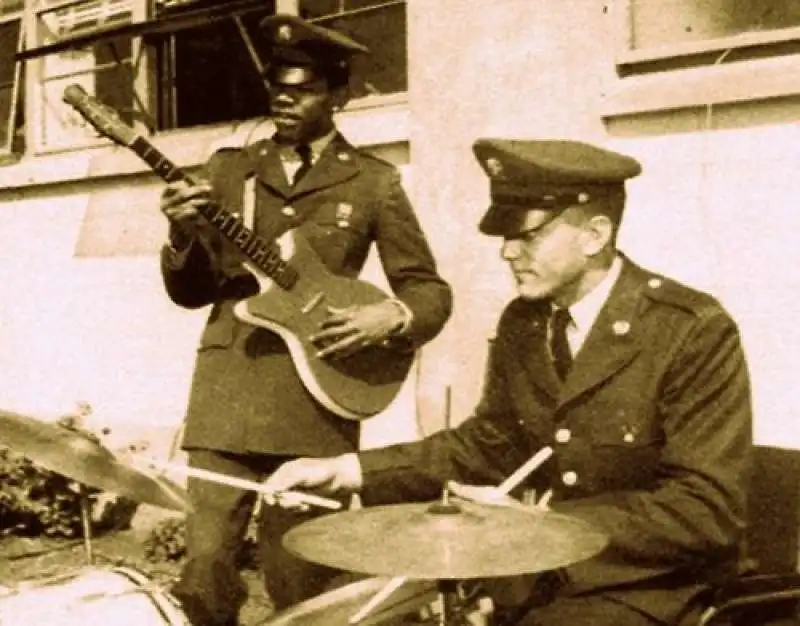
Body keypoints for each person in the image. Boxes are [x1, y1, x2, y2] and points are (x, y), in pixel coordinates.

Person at [263, 139, 753, 626]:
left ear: (594, 235)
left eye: (528, 235)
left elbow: (705, 510)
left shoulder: (690, 329)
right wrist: (348, 471)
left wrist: (544, 526)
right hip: (540, 577)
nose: (507, 252)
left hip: (649, 588)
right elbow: (486, 445)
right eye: (504, 235)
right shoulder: (526, 321)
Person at [158, 14, 452, 626]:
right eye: (277, 89)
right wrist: (181, 234)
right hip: (229, 395)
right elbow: (191, 293)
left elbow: (427, 290)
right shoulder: (230, 170)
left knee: (302, 576)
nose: (284, 100)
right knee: (205, 570)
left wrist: (389, 317)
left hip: (318, 400)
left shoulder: (373, 182)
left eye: (303, 90)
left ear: (338, 96)